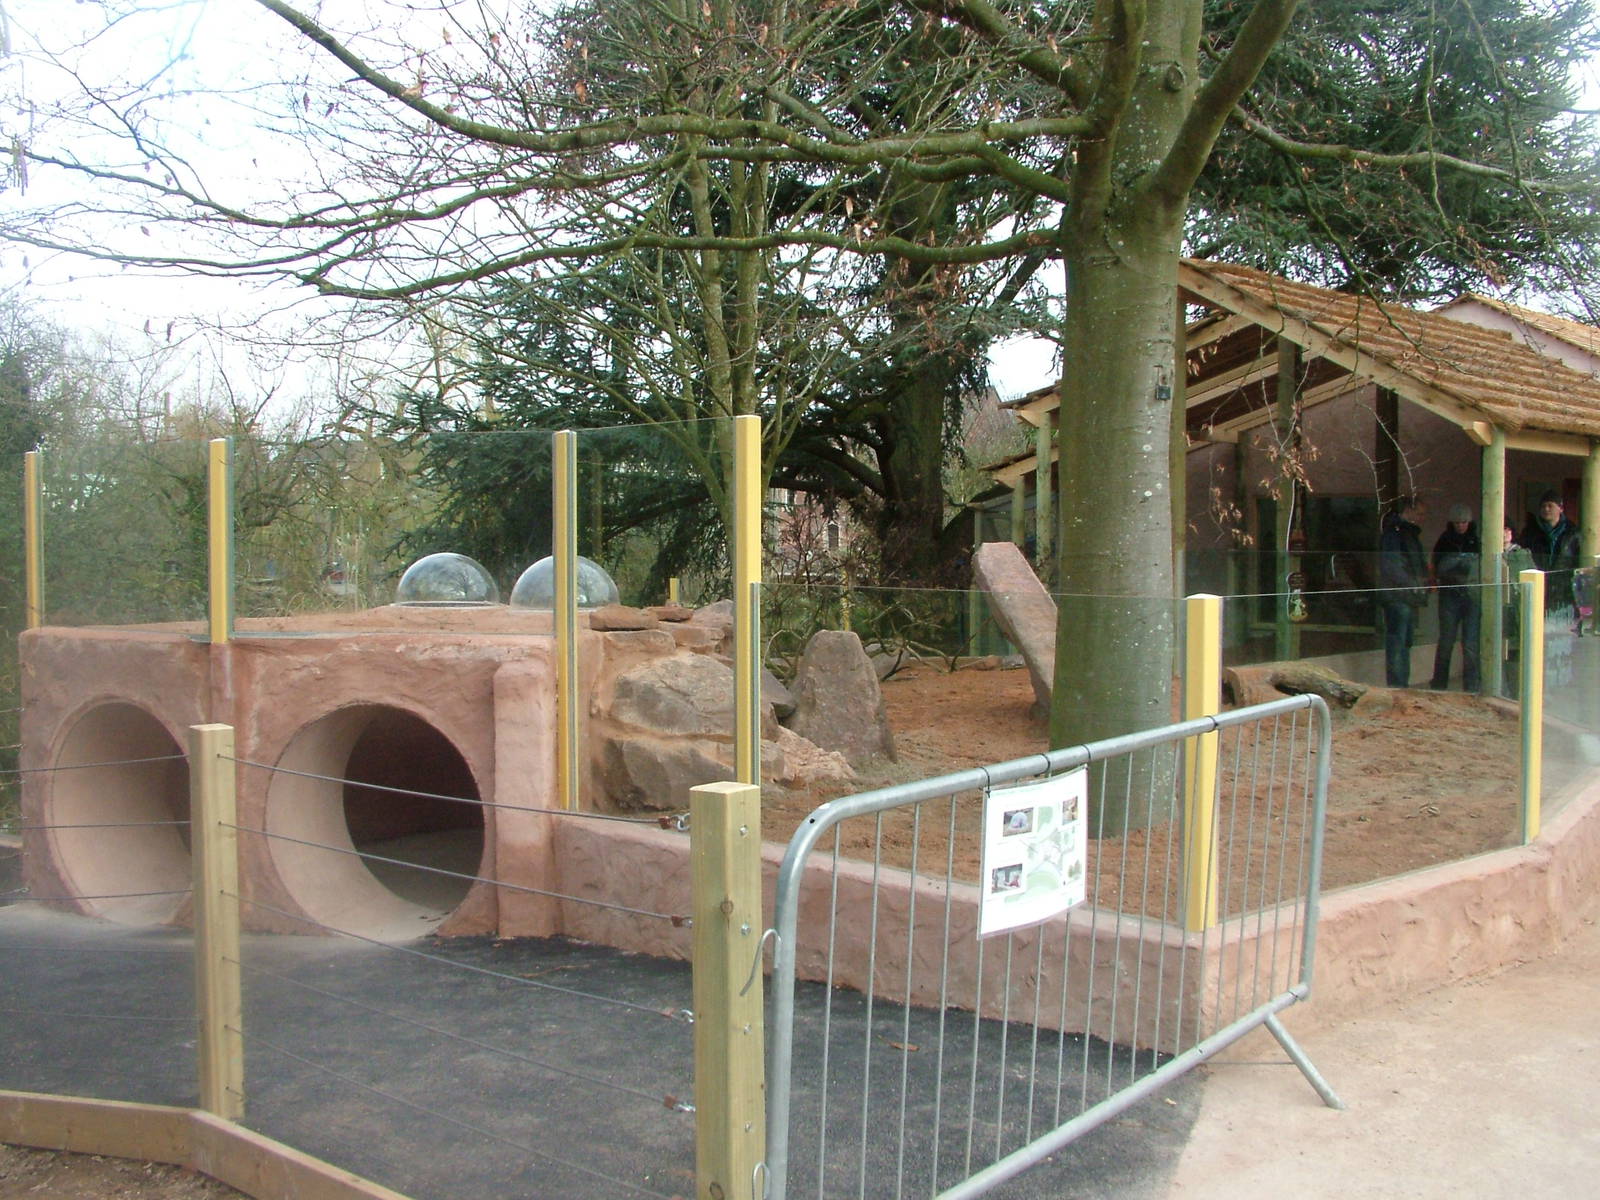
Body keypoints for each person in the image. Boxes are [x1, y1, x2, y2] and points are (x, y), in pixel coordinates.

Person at [1430, 503, 1480, 691]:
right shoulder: (1445, 540)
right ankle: (1439, 684)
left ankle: (1472, 687)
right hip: (1449, 594)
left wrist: (1457, 561)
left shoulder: (1476, 539)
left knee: (1470, 644)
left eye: (1464, 522)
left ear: (1469, 522)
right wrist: (1463, 561)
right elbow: (1438, 566)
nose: (1461, 526)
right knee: (1446, 641)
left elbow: (1481, 566)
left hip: (1471, 595)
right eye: (1457, 522)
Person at [1379, 496, 1428, 687]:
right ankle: (1397, 686)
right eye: (1420, 513)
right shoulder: (1394, 533)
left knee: (1405, 642)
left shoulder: (1407, 533)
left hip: (1406, 594)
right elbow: (1392, 566)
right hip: (1398, 595)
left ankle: (1402, 684)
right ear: (1409, 510)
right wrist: (1411, 583)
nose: (1423, 518)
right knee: (1398, 643)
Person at [1519, 490, 1580, 619]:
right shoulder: (1530, 532)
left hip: (1564, 588)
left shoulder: (1573, 533)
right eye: (1543, 506)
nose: (1546, 509)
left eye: (1550, 506)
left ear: (1561, 508)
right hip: (1537, 585)